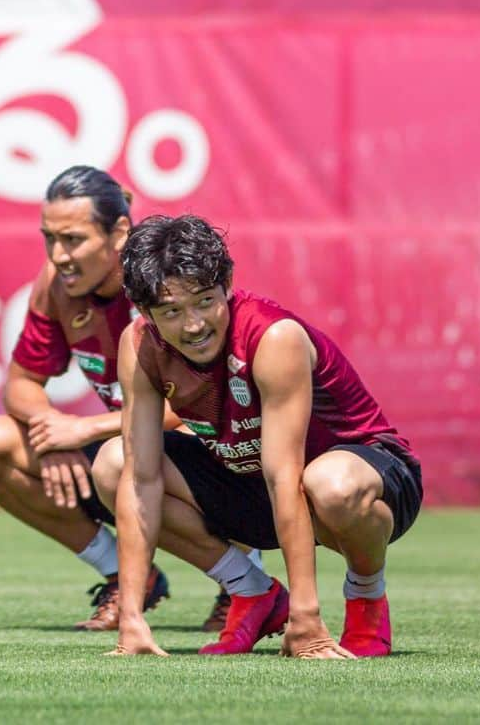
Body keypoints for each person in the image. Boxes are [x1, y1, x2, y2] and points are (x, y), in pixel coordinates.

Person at [102, 214, 423, 658]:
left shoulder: (273, 337)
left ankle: (366, 596)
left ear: (228, 284)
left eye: (204, 301)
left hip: (361, 475)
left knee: (328, 485)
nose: (193, 325)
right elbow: (141, 480)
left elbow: (284, 476)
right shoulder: (139, 344)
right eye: (171, 311)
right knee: (113, 464)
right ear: (144, 311)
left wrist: (307, 620)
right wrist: (132, 620)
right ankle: (253, 592)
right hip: (254, 481)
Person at [0, 167, 254, 632]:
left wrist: (85, 429)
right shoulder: (56, 285)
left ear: (120, 232)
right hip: (130, 445)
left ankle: (244, 583)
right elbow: (20, 383)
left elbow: (207, 404)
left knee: (120, 458)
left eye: (73, 239)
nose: (59, 256)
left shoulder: (166, 284)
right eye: (49, 239)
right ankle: (125, 577)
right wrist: (52, 432)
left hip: (213, 453)